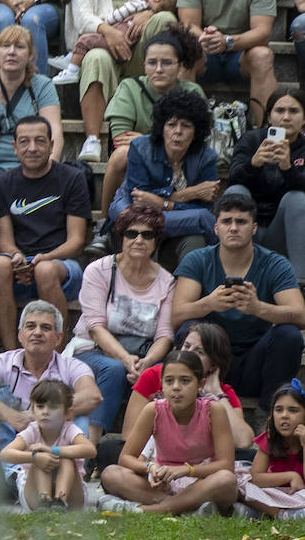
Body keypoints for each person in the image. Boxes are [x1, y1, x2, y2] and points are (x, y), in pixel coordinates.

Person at [171, 193, 305, 403]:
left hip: (256, 363)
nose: (233, 228)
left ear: (253, 228)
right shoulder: (197, 260)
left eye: (241, 222)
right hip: (211, 359)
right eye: (226, 221)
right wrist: (209, 303)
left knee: (288, 335)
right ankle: (196, 405)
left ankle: (269, 415)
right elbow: (177, 315)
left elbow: (300, 315)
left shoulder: (275, 263)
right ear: (216, 228)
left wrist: (258, 308)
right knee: (188, 328)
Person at [65, 0, 178, 158]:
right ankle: (92, 140)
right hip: (100, 46)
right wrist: (109, 33)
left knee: (165, 19)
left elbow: (159, 3)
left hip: (139, 52)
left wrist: (148, 14)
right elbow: (83, 17)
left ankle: (169, 117)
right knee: (95, 58)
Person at [70, 204, 176, 444]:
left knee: (160, 373)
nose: (139, 240)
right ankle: (90, 446)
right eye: (132, 233)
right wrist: (126, 360)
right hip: (93, 349)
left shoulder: (166, 281)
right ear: (121, 237)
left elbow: (165, 335)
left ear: (156, 241)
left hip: (143, 354)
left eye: (147, 235)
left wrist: (146, 363)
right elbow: (95, 327)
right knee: (114, 369)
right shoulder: (99, 270)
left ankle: (142, 451)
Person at [0, 116, 89, 351]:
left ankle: (57, 353)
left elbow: (76, 241)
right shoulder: (2, 183)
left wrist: (45, 258)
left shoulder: (72, 179)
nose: (32, 148)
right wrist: (18, 258)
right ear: (14, 147)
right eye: (24, 142)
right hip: (21, 266)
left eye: (39, 141)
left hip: (62, 265)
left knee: (44, 270)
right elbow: (4, 240)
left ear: (52, 145)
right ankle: (11, 352)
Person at [97, 350, 239, 514]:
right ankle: (190, 508)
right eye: (169, 381)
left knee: (226, 480)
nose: (176, 387)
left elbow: (226, 465)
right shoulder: (153, 410)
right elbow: (126, 458)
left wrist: (187, 470)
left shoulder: (213, 410)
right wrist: (150, 468)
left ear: (200, 384)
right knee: (110, 474)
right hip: (164, 484)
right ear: (162, 385)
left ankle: (148, 510)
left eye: (185, 381)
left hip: (202, 480)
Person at [177, 0, 278, 126]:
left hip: (241, 56)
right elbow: (188, 24)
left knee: (263, 55)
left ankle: (265, 131)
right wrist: (207, 38)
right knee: (183, 52)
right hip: (204, 52)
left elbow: (263, 32)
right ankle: (186, 126)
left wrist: (227, 41)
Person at [96, 27, 204, 217]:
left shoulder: (192, 91)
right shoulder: (129, 87)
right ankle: (104, 225)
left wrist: (146, 140)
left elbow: (199, 140)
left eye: (167, 63)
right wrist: (167, 143)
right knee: (121, 155)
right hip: (139, 164)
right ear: (144, 65)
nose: (159, 69)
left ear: (180, 66)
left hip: (181, 163)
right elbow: (120, 140)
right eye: (152, 63)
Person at [0, 301, 101, 454]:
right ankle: (10, 471)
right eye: (30, 326)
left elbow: (92, 396)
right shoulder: (1, 362)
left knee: (80, 420)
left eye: (45, 328)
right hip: (9, 435)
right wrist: (12, 416)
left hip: (52, 440)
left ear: (58, 338)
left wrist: (41, 414)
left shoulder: (72, 366)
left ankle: (64, 474)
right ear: (20, 335)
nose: (37, 332)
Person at [109, 89, 218, 252]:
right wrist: (190, 194)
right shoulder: (140, 148)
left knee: (201, 223)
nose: (178, 132)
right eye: (171, 124)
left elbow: (204, 209)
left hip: (166, 219)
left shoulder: (206, 157)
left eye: (186, 126)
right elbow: (139, 203)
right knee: (140, 223)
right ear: (162, 128)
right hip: (133, 213)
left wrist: (163, 203)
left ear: (196, 133)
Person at [123, 322, 256, 449]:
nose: (188, 353)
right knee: (112, 451)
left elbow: (243, 442)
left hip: (201, 462)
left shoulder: (223, 392)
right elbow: (128, 436)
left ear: (213, 365)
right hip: (155, 457)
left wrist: (216, 392)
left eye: (199, 352)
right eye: (186, 346)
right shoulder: (153, 375)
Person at [228, 87, 305, 281]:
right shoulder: (251, 140)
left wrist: (288, 169)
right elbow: (233, 179)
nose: (286, 117)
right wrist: (254, 164)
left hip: (284, 230)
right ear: (269, 117)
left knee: (296, 198)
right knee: (236, 191)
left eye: (294, 111)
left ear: (304, 119)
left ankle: (299, 284)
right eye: (279, 111)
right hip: (248, 226)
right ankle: (231, 274)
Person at [0, 379, 96, 510]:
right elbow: (5, 454)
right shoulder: (33, 430)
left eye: (53, 407)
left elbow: (90, 450)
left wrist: (53, 450)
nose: (45, 411)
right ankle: (44, 501)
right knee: (40, 457)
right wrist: (34, 457)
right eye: (40, 406)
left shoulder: (69, 429)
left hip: (72, 497)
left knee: (66, 458)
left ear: (68, 413)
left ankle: (59, 502)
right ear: (32, 410)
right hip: (34, 496)